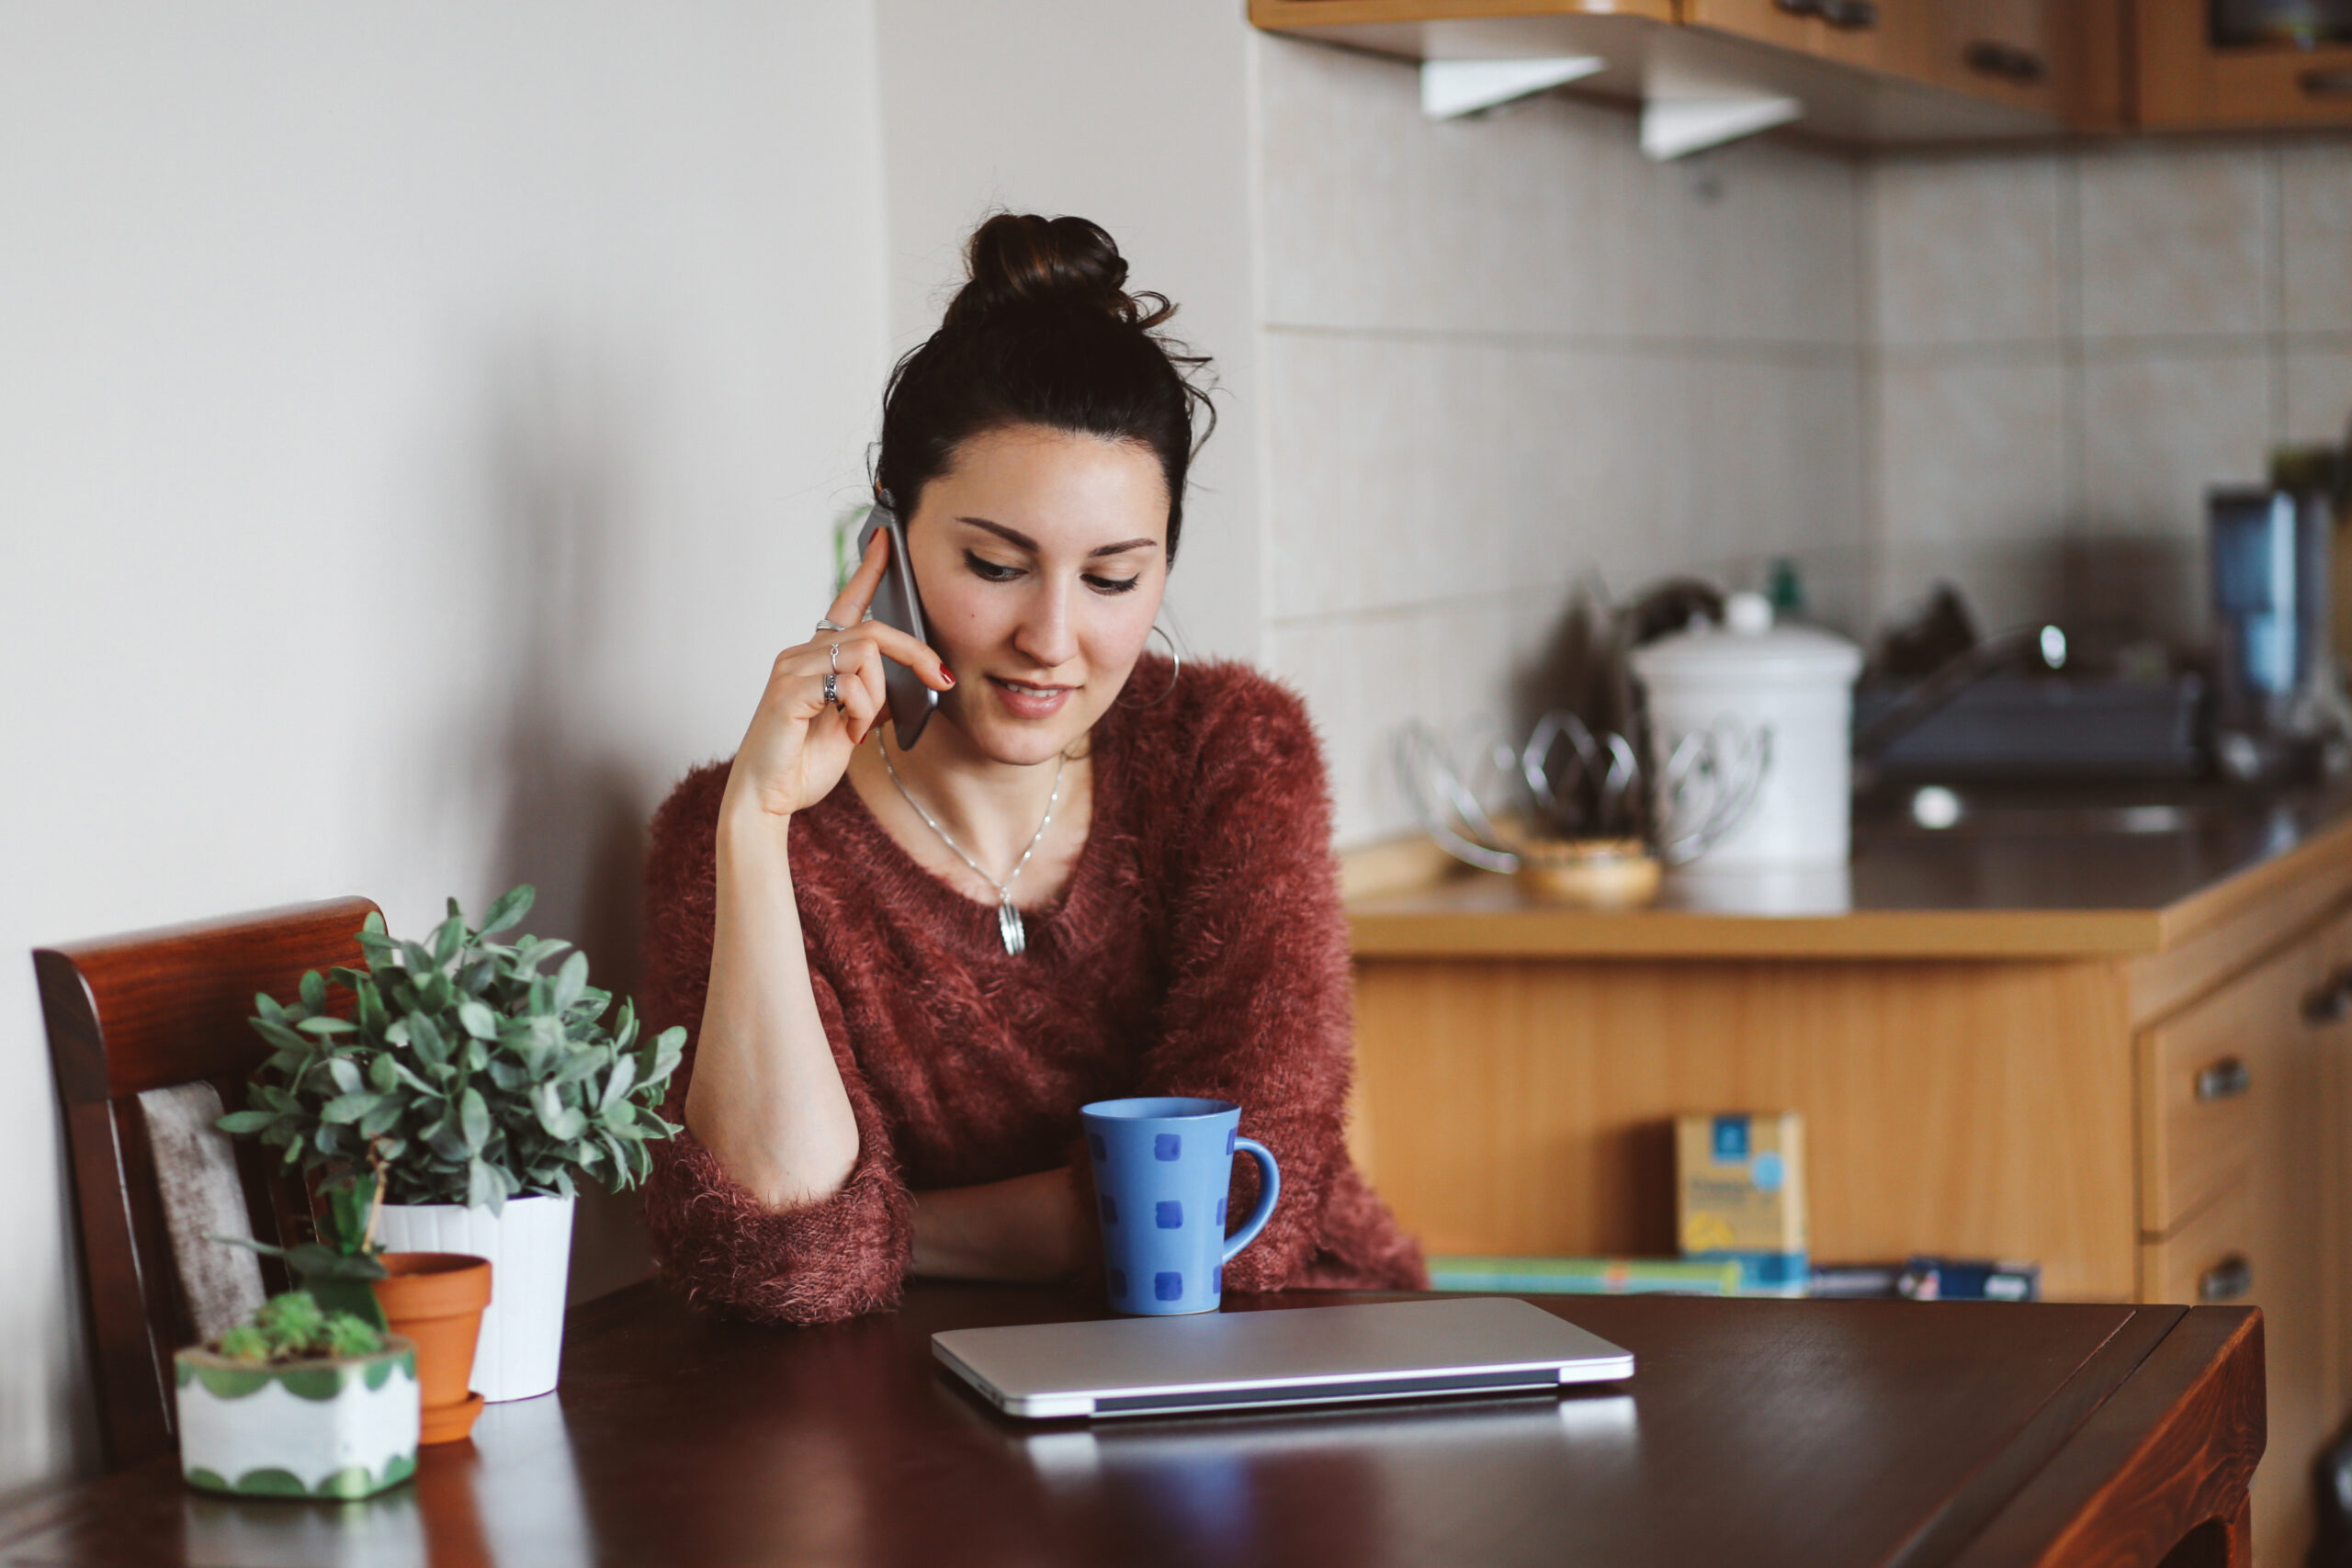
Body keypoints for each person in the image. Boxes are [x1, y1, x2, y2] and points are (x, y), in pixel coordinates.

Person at [639, 213, 1426, 1323]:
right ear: (886, 548)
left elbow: (1235, 1223)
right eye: (997, 565)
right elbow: (783, 1264)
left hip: (1300, 1352)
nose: (1053, 638)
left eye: (1112, 579)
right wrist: (756, 826)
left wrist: (885, 1231)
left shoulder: (1229, 754)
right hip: (933, 1435)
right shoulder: (731, 838)